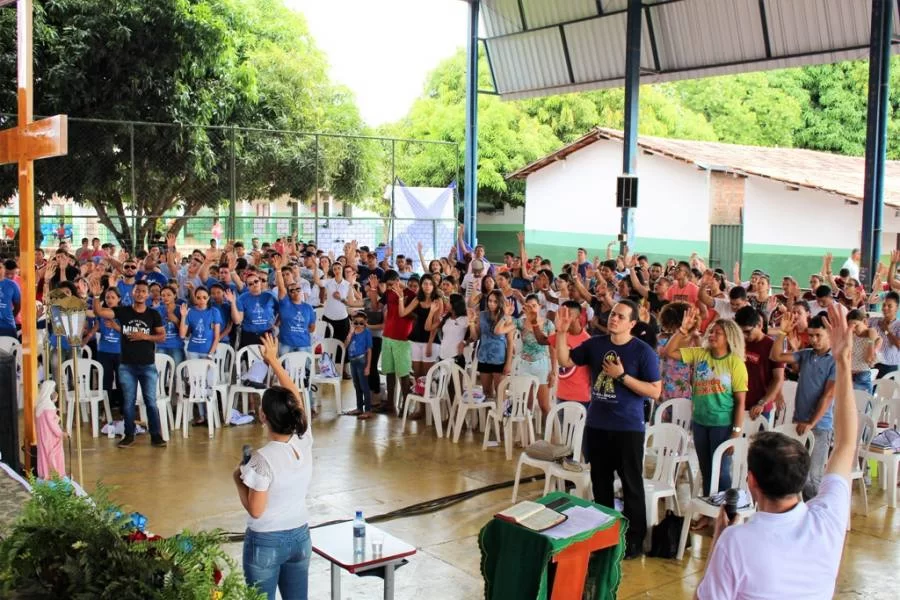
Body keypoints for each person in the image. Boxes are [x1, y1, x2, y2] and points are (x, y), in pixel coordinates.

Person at [696, 303, 858, 599]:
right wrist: (844, 362)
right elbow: (847, 442)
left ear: (751, 481)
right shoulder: (827, 521)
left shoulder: (737, 541)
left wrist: (718, 544)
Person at [554, 299, 661, 559]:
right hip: (598, 425)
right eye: (613, 314)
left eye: (621, 317)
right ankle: (603, 533)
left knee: (631, 485)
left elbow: (655, 391)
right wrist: (561, 332)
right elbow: (566, 360)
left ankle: (634, 540)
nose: (614, 319)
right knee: (600, 484)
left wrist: (622, 376)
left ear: (632, 324)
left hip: (627, 428)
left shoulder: (643, 352)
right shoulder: (595, 344)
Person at [235, 334, 312, 600]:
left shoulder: (261, 459)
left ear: (262, 416)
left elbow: (256, 510)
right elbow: (295, 395)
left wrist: (238, 478)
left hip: (266, 541)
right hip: (300, 536)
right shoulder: (303, 439)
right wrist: (273, 361)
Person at [665, 309, 748, 503]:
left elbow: (740, 402)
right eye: (711, 331)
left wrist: (735, 432)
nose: (712, 335)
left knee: (721, 472)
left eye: (717, 333)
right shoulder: (701, 354)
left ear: (729, 338)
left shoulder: (735, 363)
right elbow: (669, 351)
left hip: (722, 424)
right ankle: (709, 508)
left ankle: (726, 511)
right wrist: (682, 331)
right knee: (706, 469)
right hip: (700, 422)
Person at [91, 279, 167, 449]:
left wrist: (145, 336)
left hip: (147, 365)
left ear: (147, 295)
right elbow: (99, 312)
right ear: (132, 293)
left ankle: (156, 435)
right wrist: (96, 296)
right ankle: (129, 434)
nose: (140, 293)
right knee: (128, 402)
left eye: (143, 291)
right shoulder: (123, 311)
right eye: (137, 291)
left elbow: (162, 337)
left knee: (150, 402)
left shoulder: (153, 314)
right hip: (127, 365)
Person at [770, 314, 835, 500]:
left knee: (814, 477)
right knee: (796, 474)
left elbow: (828, 395)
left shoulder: (835, 361)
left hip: (820, 426)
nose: (813, 340)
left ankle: (816, 519)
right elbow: (776, 356)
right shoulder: (806, 354)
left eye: (818, 336)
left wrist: (811, 422)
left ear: (829, 334)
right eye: (811, 335)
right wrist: (782, 332)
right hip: (798, 422)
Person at [734, 306, 784, 421]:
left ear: (760, 325)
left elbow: (778, 378)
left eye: (747, 331)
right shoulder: (738, 343)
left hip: (760, 409)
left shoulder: (772, 346)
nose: (744, 336)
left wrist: (762, 402)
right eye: (741, 332)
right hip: (737, 405)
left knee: (759, 439)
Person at [468, 290, 514, 402]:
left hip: (499, 359)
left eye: (495, 301)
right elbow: (475, 337)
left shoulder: (507, 318)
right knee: (486, 393)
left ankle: (500, 418)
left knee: (500, 393)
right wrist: (471, 323)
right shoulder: (482, 315)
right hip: (484, 358)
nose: (491, 304)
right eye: (490, 301)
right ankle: (487, 418)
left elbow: (510, 342)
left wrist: (508, 363)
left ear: (500, 303)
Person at [548, 300, 591, 407]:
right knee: (561, 424)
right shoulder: (560, 335)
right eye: (562, 314)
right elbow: (541, 340)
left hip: (580, 398)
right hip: (561, 395)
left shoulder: (588, 341)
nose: (564, 318)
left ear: (578, 317)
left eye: (568, 314)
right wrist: (534, 321)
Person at [344, 312, 373, 419]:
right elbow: (345, 345)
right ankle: (359, 407)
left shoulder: (367, 333)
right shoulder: (352, 333)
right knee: (356, 386)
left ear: (365, 323)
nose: (359, 325)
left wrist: (368, 366)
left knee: (364, 386)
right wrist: (351, 333)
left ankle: (368, 410)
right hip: (352, 361)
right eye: (356, 323)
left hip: (362, 360)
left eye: (361, 323)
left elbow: (369, 350)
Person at [847, 309, 880, 393]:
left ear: (865, 321)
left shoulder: (876, 338)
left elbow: (869, 360)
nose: (854, 330)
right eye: (850, 327)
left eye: (856, 326)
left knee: (861, 405)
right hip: (848, 376)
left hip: (862, 377)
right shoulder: (851, 336)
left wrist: (871, 339)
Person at [869, 290, 900, 378]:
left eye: (889, 306)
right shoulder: (875, 321)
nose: (885, 308)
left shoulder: (898, 325)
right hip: (873, 364)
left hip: (889, 366)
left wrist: (886, 330)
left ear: (896, 308)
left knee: (886, 391)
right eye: (884, 305)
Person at [0, 259, 21, 338]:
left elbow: (18, 304)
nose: (9, 276)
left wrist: (12, 316)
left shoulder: (18, 282)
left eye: (12, 274)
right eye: (7, 273)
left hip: (16, 321)